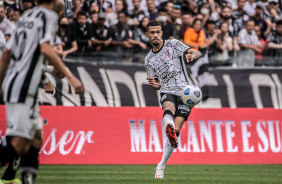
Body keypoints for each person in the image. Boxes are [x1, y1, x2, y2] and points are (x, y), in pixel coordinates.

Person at [0, 0, 84, 184]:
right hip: (23, 86)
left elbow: (8, 53)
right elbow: (45, 48)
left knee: (36, 137)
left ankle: (22, 180)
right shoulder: (49, 15)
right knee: (19, 143)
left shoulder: (26, 17)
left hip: (17, 84)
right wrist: (70, 76)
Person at [144, 20, 201, 179]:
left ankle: (161, 165)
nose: (155, 35)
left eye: (157, 32)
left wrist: (192, 54)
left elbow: (197, 52)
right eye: (152, 32)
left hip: (185, 93)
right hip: (166, 90)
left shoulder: (174, 44)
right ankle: (167, 123)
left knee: (175, 131)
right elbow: (156, 83)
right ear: (147, 35)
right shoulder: (148, 59)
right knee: (168, 107)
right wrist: (155, 85)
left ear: (161, 33)